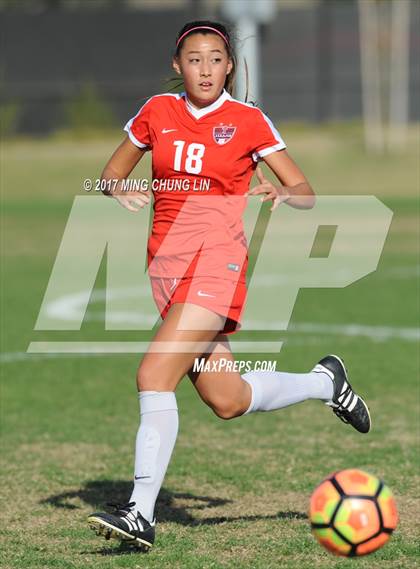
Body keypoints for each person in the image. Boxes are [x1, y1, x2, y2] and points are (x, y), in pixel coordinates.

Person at [87, 20, 371, 550]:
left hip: (217, 265)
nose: (205, 69)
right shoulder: (156, 112)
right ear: (178, 65)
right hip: (167, 269)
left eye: (216, 59)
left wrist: (287, 196)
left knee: (153, 373)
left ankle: (140, 513)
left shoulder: (247, 120)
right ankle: (325, 382)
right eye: (194, 59)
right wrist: (115, 190)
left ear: (229, 66)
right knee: (227, 399)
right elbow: (107, 175)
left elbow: (305, 189)